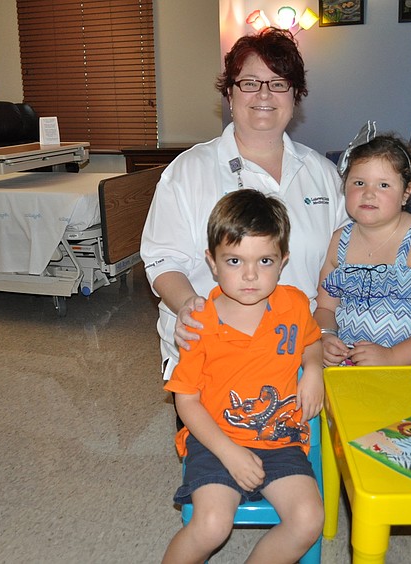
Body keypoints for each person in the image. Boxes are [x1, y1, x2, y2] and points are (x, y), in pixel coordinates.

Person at [140, 27, 348, 384]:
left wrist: (326, 331)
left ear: (295, 94)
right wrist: (191, 306)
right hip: (214, 355)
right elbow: (162, 259)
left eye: (278, 83)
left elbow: (344, 263)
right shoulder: (187, 172)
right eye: (249, 82)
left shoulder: (324, 176)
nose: (264, 94)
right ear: (230, 95)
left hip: (300, 357)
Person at [162, 190, 324, 564]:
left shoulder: (295, 304)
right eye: (235, 260)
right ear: (213, 263)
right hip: (215, 440)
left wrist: (313, 368)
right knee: (212, 525)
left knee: (308, 519)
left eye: (264, 260)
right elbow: (185, 400)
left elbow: (311, 341)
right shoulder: (199, 321)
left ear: (283, 261)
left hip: (279, 440)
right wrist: (229, 453)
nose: (250, 275)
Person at [314, 132, 411, 367]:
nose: (368, 193)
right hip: (351, 366)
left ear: (405, 193)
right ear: (344, 187)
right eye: (359, 183)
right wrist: (326, 336)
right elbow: (326, 306)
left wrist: (392, 356)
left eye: (384, 185)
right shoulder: (339, 242)